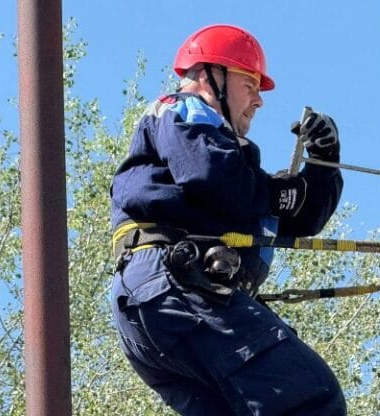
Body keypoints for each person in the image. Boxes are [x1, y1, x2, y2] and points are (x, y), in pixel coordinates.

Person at [109, 24, 346, 416]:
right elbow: (212, 175)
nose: (258, 101)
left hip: (166, 305)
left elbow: (296, 218)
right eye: (249, 84)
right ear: (209, 77)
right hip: (174, 286)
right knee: (309, 397)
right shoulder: (181, 109)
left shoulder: (235, 175)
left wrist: (323, 164)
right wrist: (276, 193)